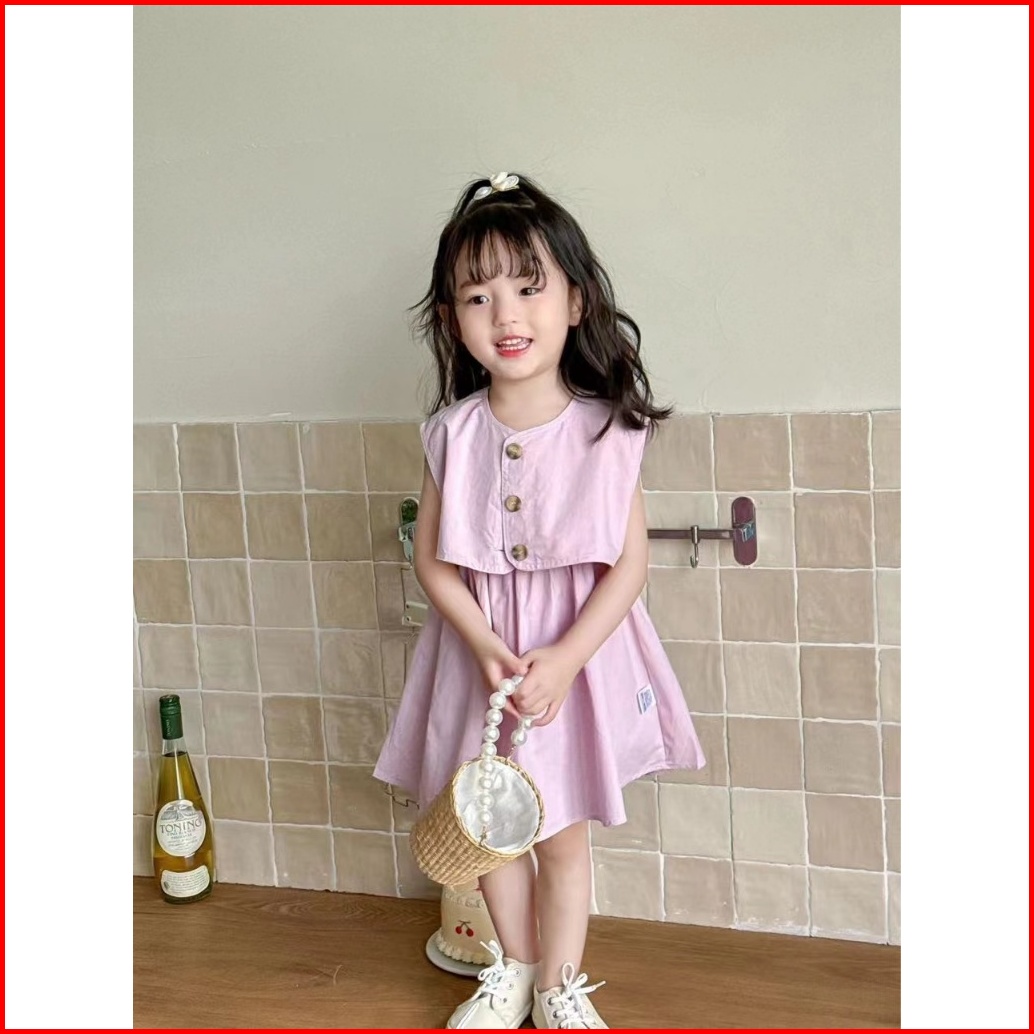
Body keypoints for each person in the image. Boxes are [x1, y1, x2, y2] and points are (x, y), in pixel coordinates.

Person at [373, 172, 705, 1029]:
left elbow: (628, 567)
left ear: (575, 300)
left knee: (559, 832)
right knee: (488, 828)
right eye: (477, 297)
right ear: (451, 318)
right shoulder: (451, 434)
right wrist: (485, 644)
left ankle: (559, 984)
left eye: (528, 288)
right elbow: (432, 561)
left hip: (571, 664)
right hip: (478, 662)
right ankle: (513, 969)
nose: (506, 315)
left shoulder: (608, 428)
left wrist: (565, 660)